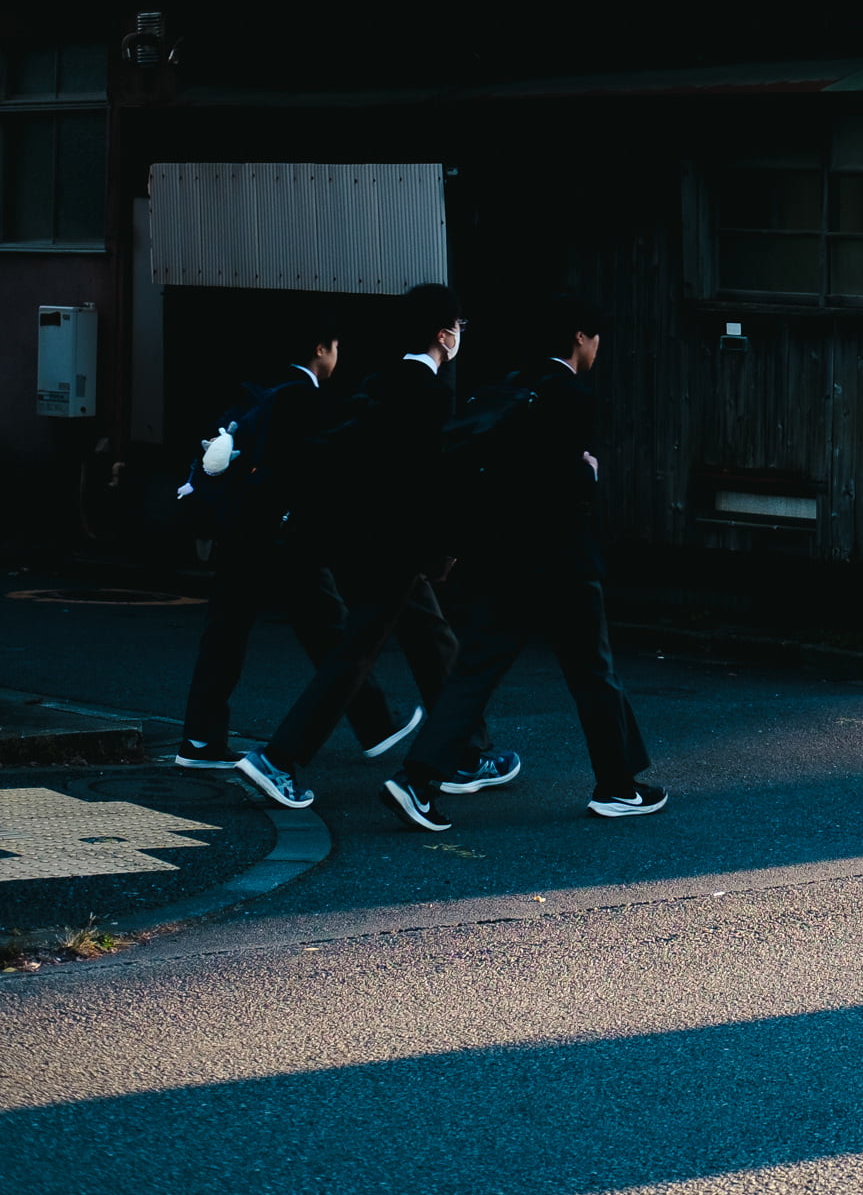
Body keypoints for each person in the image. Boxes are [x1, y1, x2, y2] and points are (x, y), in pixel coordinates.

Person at [387, 294, 666, 831]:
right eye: (595, 339)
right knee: (594, 674)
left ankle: (417, 779)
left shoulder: (509, 389)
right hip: (562, 561)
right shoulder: (571, 395)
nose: (597, 348)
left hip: (501, 556)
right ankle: (617, 785)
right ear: (581, 338)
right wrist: (588, 472)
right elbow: (559, 487)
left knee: (475, 672)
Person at [236, 282, 467, 813]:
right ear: (443, 333)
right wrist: (442, 550)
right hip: (399, 546)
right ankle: (279, 758)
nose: (460, 336)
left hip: (365, 540)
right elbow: (427, 481)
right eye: (459, 327)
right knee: (355, 655)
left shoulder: (381, 381)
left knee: (430, 638)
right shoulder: (432, 392)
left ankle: (469, 749)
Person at [177, 311, 425, 774]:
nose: (337, 357)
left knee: (227, 633)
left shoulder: (256, 392)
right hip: (283, 535)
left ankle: (200, 738)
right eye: (335, 347)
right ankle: (375, 724)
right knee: (330, 627)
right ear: (320, 348)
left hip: (240, 530)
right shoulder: (303, 397)